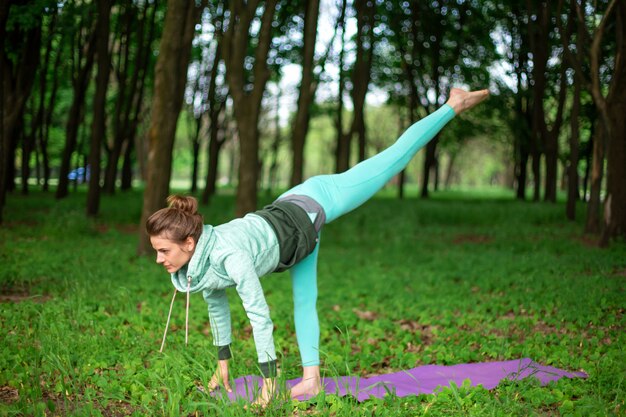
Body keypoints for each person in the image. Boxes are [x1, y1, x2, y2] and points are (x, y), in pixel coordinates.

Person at [146, 88, 489, 406]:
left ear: (189, 242)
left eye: (164, 251)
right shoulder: (199, 263)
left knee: (392, 160)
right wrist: (223, 369)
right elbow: (217, 308)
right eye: (157, 251)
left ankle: (451, 105)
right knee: (304, 298)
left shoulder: (229, 256)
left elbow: (260, 317)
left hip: (315, 201)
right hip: (289, 229)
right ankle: (311, 380)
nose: (159, 259)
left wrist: (269, 383)